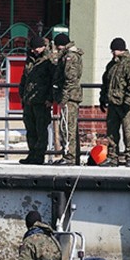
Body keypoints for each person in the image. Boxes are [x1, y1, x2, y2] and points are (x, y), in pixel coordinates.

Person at [99, 37, 130, 167]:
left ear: (121, 49)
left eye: (115, 50)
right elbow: (105, 82)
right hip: (113, 103)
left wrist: (128, 101)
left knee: (128, 131)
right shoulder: (111, 65)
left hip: (124, 104)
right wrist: (102, 98)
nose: (113, 53)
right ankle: (112, 157)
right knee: (111, 132)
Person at [19, 35, 54, 165]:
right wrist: (22, 95)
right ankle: (32, 154)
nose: (35, 50)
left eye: (38, 48)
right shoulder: (30, 60)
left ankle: (39, 156)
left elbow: (53, 81)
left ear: (43, 47)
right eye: (33, 48)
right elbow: (24, 78)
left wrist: (50, 98)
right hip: (29, 100)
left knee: (41, 130)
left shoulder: (49, 60)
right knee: (30, 129)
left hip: (41, 101)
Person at [52, 33, 84, 165]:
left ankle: (70, 156)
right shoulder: (67, 55)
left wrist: (64, 97)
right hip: (69, 96)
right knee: (66, 126)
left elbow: (70, 79)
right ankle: (68, 155)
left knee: (67, 127)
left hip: (70, 97)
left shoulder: (69, 57)